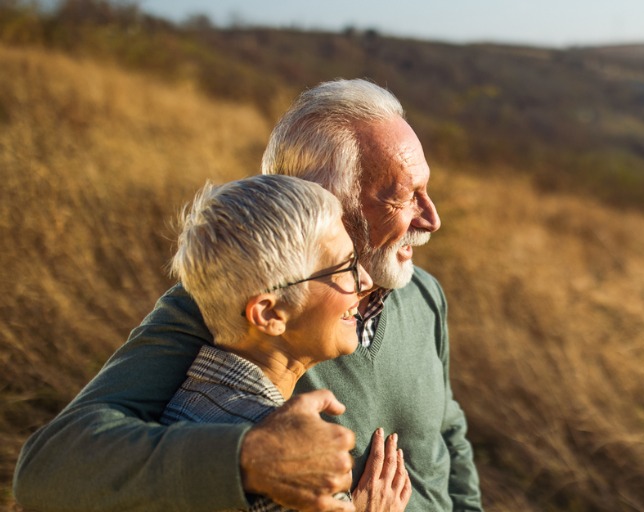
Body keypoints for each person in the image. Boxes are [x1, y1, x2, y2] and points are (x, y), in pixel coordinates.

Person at [13, 79, 483, 512]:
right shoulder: (224, 304)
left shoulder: (422, 292)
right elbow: (47, 472)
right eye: (403, 197)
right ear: (319, 202)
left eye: (427, 189)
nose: (431, 219)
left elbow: (448, 432)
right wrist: (250, 458)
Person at [161, 174, 410, 512]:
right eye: (345, 268)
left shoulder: (180, 407)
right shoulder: (298, 478)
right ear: (269, 313)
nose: (365, 280)